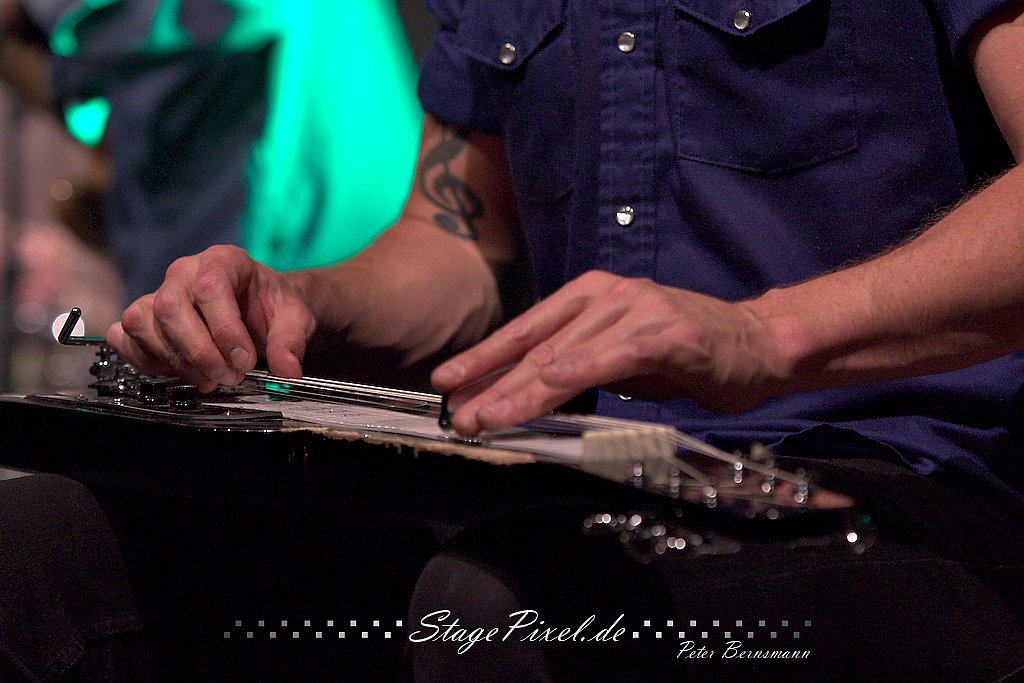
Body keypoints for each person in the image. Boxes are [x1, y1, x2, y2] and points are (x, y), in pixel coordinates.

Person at [107, 0, 1024, 679]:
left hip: (909, 483)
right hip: (583, 475)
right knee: (73, 546)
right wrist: (299, 299)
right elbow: (457, 244)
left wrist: (760, 334)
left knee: (506, 604)